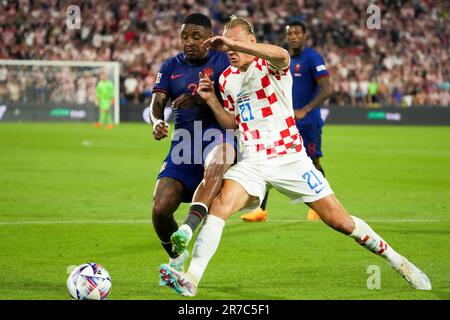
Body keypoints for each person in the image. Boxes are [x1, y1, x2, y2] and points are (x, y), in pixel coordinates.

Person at [160, 16, 431, 297]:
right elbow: (233, 122)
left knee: (342, 222)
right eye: (227, 45)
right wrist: (212, 100)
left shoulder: (272, 65)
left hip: (290, 159)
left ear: (252, 42)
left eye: (237, 43)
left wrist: (230, 41)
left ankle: (400, 263)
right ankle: (191, 277)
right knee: (220, 208)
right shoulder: (227, 78)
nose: (230, 50)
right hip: (252, 160)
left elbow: (282, 54)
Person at [150, 13, 235, 276]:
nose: (189, 42)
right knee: (160, 209)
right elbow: (157, 104)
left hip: (216, 136)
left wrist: (198, 100)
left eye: (196, 36)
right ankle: (177, 258)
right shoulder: (170, 66)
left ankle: (188, 226)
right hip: (183, 144)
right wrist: (156, 122)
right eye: (185, 36)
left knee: (219, 159)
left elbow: (233, 99)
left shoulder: (224, 61)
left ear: (209, 37)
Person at [241, 20, 332, 222]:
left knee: (313, 161)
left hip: (307, 121)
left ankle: (321, 204)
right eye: (290, 33)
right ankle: (260, 209)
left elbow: (327, 88)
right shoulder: (278, 58)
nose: (293, 37)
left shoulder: (312, 57)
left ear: (305, 36)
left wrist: (305, 110)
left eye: (298, 33)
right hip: (281, 122)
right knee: (269, 159)